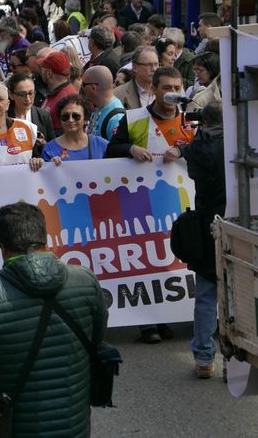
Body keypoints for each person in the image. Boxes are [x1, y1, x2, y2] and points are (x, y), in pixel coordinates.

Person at [0, 202, 108, 438]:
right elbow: (97, 337)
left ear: (2, 248)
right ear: (45, 238)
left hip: (14, 427)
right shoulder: (86, 280)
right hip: (75, 425)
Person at [105, 66, 193, 344]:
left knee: (177, 262)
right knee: (147, 264)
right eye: (166, 88)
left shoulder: (191, 120)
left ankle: (173, 315)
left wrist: (182, 150)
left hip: (182, 207)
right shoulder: (133, 120)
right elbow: (111, 151)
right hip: (142, 209)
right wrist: (130, 149)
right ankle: (148, 323)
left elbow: (207, 147)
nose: (172, 93)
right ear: (153, 90)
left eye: (177, 88)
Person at [163, 101, 225, 378]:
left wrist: (185, 144)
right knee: (240, 295)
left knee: (206, 294)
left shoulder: (200, 147)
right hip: (236, 222)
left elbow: (193, 163)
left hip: (206, 225)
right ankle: (237, 362)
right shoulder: (234, 143)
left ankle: (203, 357)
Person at [42, 95, 108, 163]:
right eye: (65, 116)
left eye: (76, 116)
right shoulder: (49, 149)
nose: (70, 120)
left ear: (85, 118)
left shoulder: (102, 145)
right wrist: (50, 166)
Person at [6, 72, 55, 143]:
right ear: (11, 95)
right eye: (22, 94)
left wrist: (43, 144)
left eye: (31, 93)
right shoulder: (5, 117)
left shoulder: (43, 115)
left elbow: (52, 145)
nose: (27, 99)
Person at [81, 66, 126, 142]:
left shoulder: (116, 119)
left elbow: (117, 151)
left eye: (84, 84)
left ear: (93, 87)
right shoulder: (99, 106)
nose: (81, 88)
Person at [40, 50, 79, 130]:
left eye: (42, 67)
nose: (40, 71)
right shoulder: (58, 93)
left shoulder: (67, 99)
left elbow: (66, 135)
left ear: (49, 73)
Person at [114, 45, 158, 109]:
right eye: (148, 65)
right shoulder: (118, 95)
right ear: (134, 67)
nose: (154, 69)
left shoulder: (165, 92)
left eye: (156, 64)